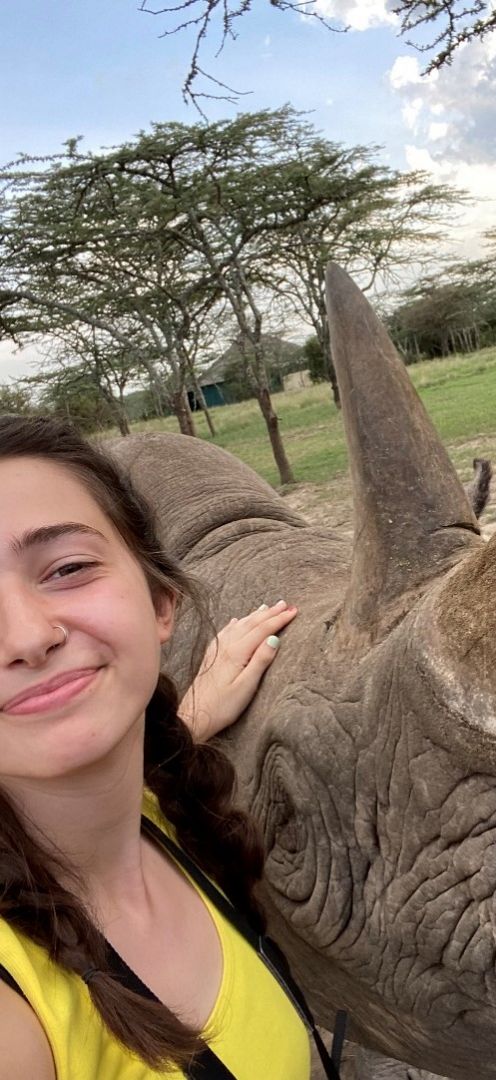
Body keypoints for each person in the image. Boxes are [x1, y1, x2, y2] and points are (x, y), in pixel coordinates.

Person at [0, 414, 311, 1079]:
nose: (26, 637)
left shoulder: (156, 817)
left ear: (162, 602)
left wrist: (192, 712)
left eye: (66, 568)